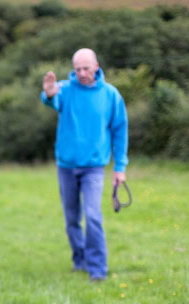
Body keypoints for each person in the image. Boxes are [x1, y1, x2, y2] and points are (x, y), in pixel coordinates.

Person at [40, 48, 128, 282]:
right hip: (66, 166)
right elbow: (52, 98)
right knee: (71, 219)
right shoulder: (66, 90)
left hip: (94, 167)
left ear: (96, 66)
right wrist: (49, 93)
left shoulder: (110, 95)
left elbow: (120, 131)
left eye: (86, 68)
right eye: (77, 69)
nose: (81, 73)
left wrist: (120, 167)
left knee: (93, 215)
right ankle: (80, 260)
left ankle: (98, 269)